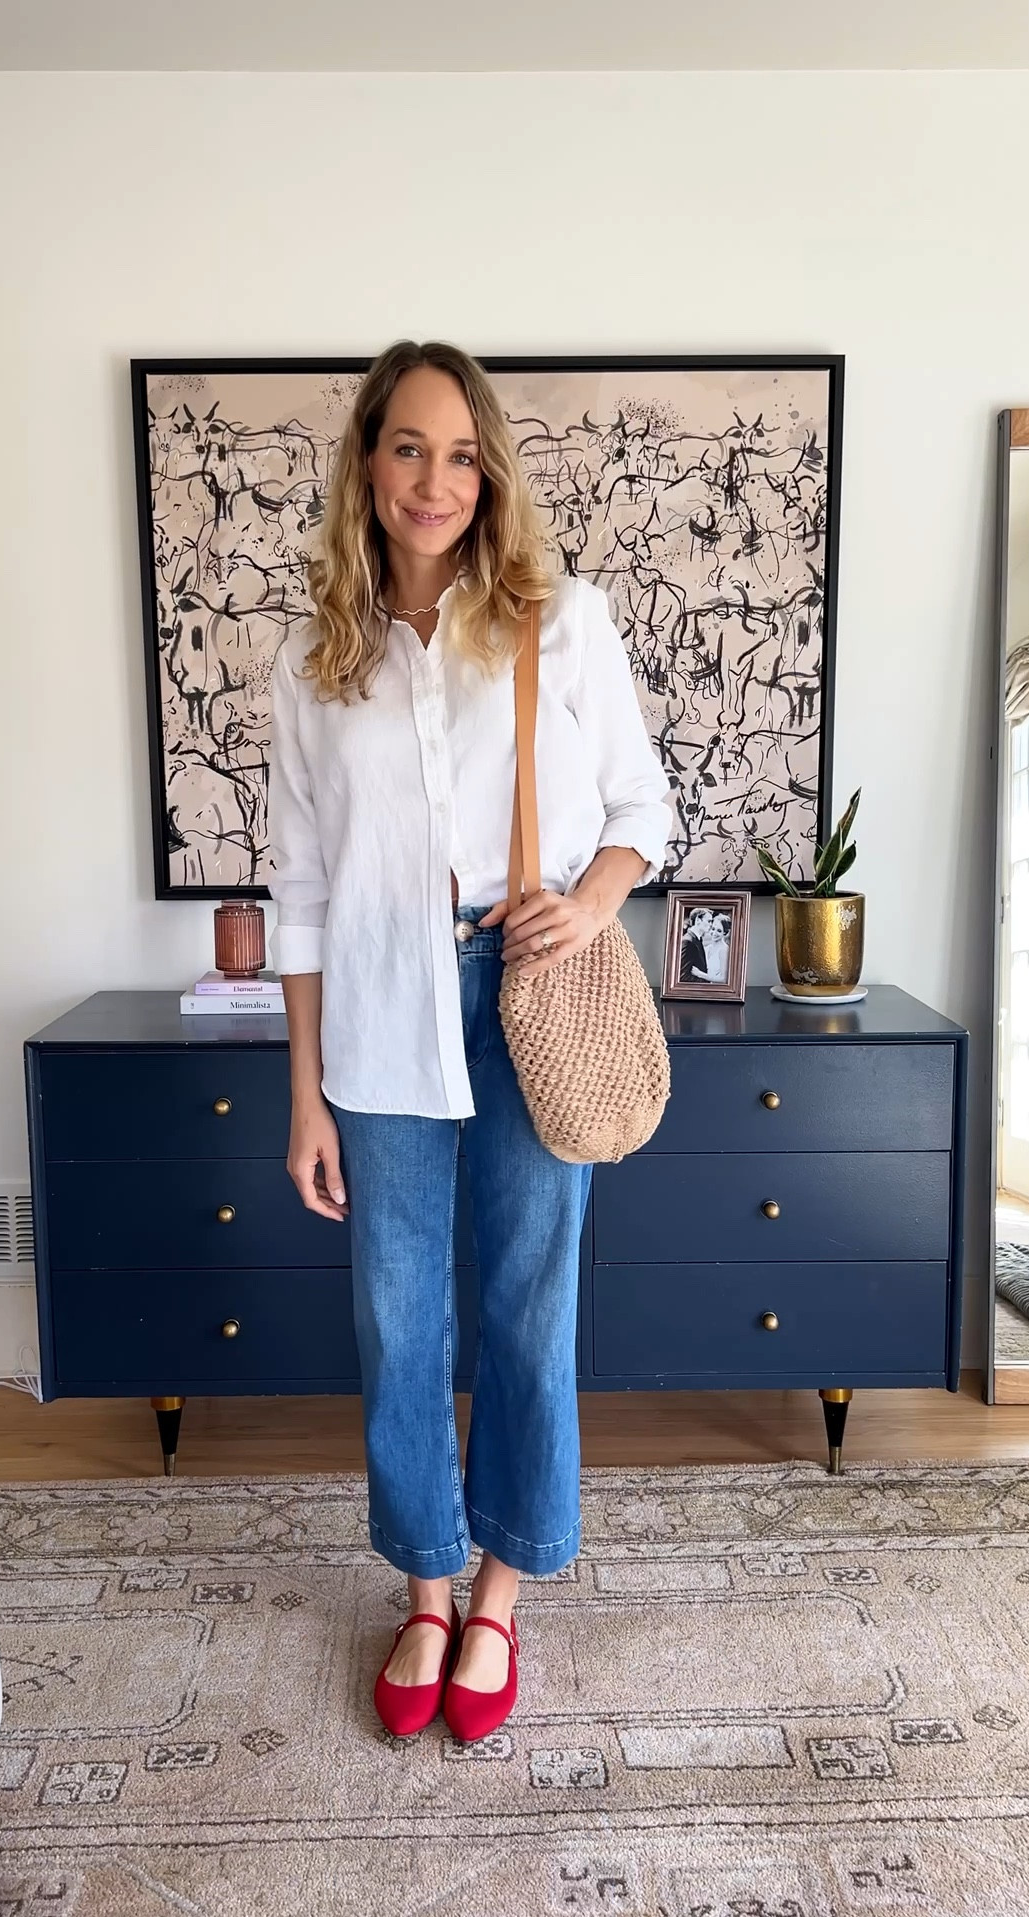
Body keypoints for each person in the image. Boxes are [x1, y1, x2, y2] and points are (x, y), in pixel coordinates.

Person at [267, 339, 672, 1744]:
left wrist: (589, 901)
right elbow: (300, 894)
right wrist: (305, 1095)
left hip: (528, 998)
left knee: (525, 1305)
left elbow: (644, 808)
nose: (434, 481)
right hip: (379, 1009)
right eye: (407, 448)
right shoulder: (312, 659)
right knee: (397, 1319)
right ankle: (426, 1590)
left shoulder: (562, 619)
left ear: (488, 471)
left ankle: (499, 1593)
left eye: (459, 453)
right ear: (367, 465)